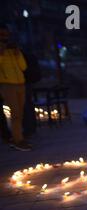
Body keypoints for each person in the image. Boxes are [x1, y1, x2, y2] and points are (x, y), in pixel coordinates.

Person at [0, 22, 30, 151]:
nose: (5, 37)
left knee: (20, 113)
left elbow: (23, 67)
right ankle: (18, 140)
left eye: (7, 34)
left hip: (20, 84)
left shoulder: (13, 49)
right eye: (2, 34)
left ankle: (19, 137)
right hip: (7, 85)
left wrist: (18, 53)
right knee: (15, 113)